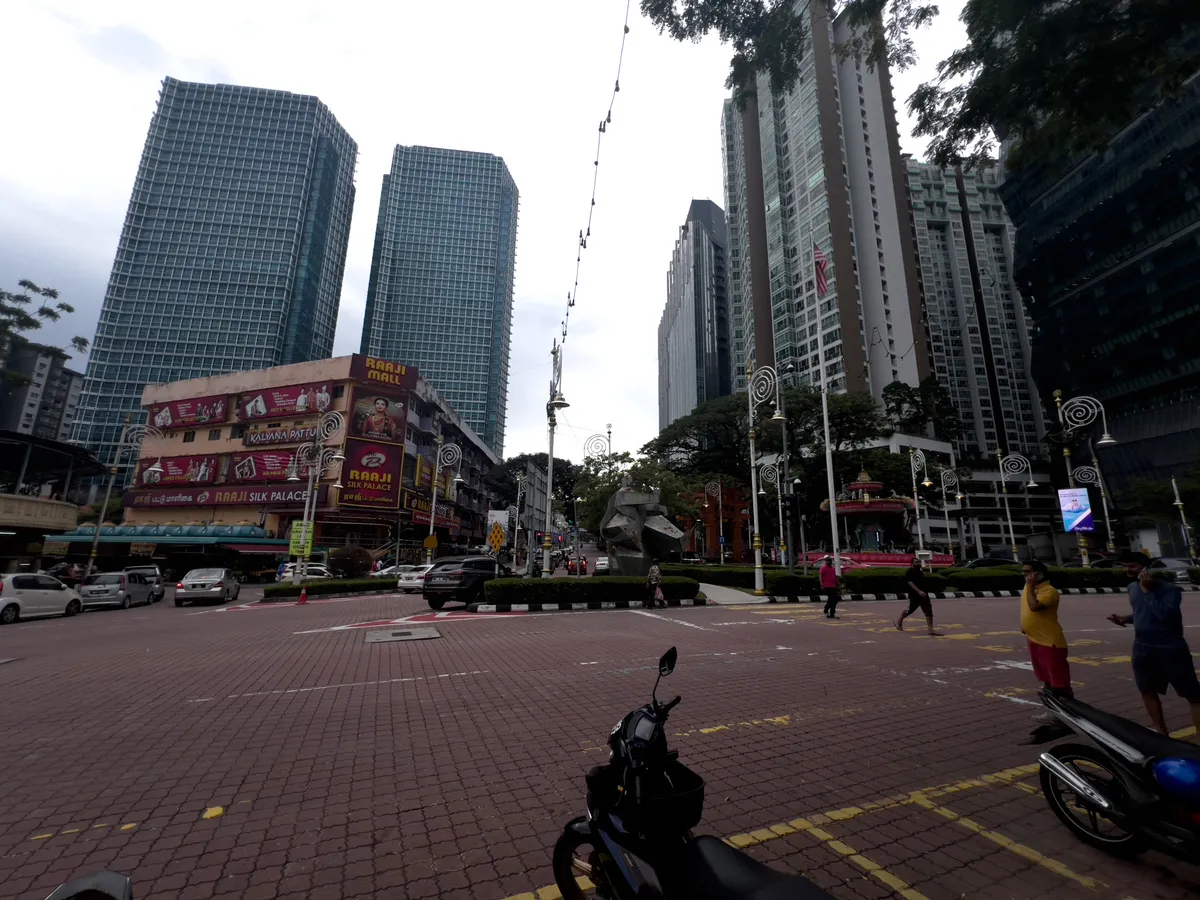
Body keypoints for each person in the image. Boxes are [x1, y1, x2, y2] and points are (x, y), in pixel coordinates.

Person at [1109, 551, 1200, 736]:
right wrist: (1125, 619)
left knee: (1193, 694)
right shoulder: (1132, 588)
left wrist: (1147, 590)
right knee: (1147, 690)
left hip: (1170, 649)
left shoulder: (1169, 590)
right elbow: (1142, 614)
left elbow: (1165, 616)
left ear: (1146, 569)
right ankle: (1161, 732)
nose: (1128, 569)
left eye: (1132, 566)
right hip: (1143, 648)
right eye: (1125, 566)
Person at [1021, 560, 1073, 724]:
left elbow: (1034, 607)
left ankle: (1067, 714)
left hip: (1050, 643)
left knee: (1059, 682)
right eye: (1023, 572)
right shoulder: (1029, 588)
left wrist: (1029, 587)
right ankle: (1052, 711)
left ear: (1039, 573)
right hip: (1034, 640)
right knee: (1047, 680)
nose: (1025, 576)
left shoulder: (1049, 591)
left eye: (1028, 572)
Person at [895, 557, 942, 636]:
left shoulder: (920, 572)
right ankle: (899, 622)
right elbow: (910, 583)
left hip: (924, 595)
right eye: (916, 562)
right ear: (912, 563)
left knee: (928, 612)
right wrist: (919, 591)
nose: (918, 564)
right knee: (909, 610)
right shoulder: (909, 571)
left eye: (919, 562)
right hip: (914, 595)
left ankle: (930, 630)